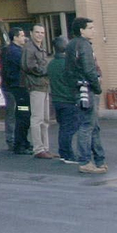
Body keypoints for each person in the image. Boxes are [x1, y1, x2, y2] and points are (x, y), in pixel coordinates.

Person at [68, 15, 106, 174]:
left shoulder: (71, 45)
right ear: (81, 30)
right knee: (88, 126)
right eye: (90, 28)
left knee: (91, 125)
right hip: (87, 89)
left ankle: (99, 160)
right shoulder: (84, 45)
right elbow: (89, 69)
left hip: (78, 88)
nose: (93, 31)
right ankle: (86, 161)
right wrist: (97, 87)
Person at [22, 22, 54, 158]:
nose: (40, 35)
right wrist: (46, 70)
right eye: (37, 32)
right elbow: (29, 66)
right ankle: (38, 149)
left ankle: (45, 148)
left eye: (42, 32)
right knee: (37, 118)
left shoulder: (41, 48)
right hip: (35, 86)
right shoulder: (29, 49)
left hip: (44, 86)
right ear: (31, 33)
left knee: (45, 119)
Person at [48, 36, 81, 165]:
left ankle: (63, 153)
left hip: (56, 99)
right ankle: (68, 154)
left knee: (63, 128)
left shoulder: (51, 64)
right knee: (69, 128)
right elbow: (73, 81)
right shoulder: (68, 64)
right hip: (69, 100)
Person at [0, 27, 31, 154]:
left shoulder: (10, 50)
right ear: (15, 37)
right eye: (22, 35)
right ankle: (14, 140)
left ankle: (19, 140)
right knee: (16, 114)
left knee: (17, 114)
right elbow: (25, 66)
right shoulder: (14, 52)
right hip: (14, 87)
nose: (24, 38)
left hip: (12, 87)